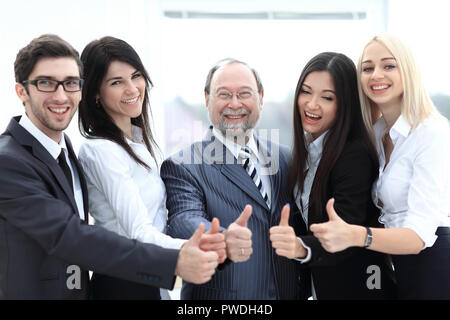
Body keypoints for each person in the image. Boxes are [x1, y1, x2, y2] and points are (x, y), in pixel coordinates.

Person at [0, 34, 220, 300]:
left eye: (70, 83)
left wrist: (208, 243)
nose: (61, 95)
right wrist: (176, 258)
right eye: (46, 83)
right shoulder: (8, 160)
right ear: (21, 91)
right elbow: (69, 235)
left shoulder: (65, 149)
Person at [77, 36, 226, 300]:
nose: (132, 88)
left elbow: (157, 222)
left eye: (136, 76)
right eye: (116, 82)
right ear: (95, 93)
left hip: (149, 277)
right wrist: (197, 247)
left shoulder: (136, 142)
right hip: (123, 284)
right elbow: (139, 232)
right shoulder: (101, 150)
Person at [310, 34, 450, 300]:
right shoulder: (376, 134)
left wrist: (355, 235)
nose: (376, 75)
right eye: (367, 68)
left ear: (407, 71)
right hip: (400, 269)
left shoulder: (432, 132)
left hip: (434, 266)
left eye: (388, 66)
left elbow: (419, 236)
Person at [160, 58, 309, 300]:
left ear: (260, 98)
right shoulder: (184, 164)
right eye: (224, 94)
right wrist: (220, 238)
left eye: (244, 93)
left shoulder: (287, 158)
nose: (235, 103)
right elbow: (182, 219)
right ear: (207, 99)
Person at [269, 52, 396, 300]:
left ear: (345, 104)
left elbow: (346, 230)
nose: (312, 104)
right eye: (306, 92)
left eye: (327, 97)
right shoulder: (308, 153)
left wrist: (300, 247)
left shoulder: (353, 154)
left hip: (362, 290)